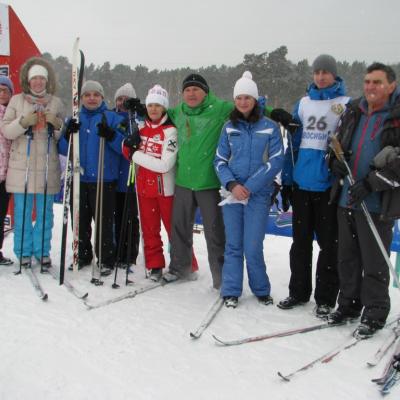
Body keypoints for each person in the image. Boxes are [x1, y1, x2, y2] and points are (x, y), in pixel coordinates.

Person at [164, 74, 274, 289]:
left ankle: (221, 277)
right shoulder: (178, 112)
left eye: (196, 89)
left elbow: (249, 107)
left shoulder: (220, 108)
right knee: (179, 228)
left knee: (215, 232)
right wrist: (139, 109)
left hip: (210, 183)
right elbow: (157, 113)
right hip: (183, 181)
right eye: (187, 90)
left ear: (205, 92)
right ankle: (180, 268)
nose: (191, 94)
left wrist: (273, 112)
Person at [327, 63, 400, 339]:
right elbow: (335, 144)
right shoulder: (353, 111)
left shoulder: (395, 116)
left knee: (374, 261)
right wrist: (334, 162)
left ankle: (375, 311)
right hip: (347, 197)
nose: (371, 87)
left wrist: (371, 183)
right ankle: (348, 304)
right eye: (368, 81)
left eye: (377, 82)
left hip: (377, 202)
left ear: (391, 86)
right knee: (347, 257)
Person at [276, 55, 350, 318]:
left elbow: (347, 145)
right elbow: (292, 146)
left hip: (328, 187)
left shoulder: (345, 104)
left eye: (325, 72)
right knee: (300, 243)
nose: (320, 77)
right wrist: (287, 181)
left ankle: (326, 299)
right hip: (301, 184)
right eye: (317, 72)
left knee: (329, 246)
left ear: (334, 74)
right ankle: (298, 292)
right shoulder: (304, 103)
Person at [214, 71, 284, 308]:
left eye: (247, 97)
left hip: (258, 194)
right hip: (232, 194)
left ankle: (261, 289)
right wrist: (232, 185)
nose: (243, 102)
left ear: (255, 99)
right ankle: (231, 290)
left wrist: (249, 187)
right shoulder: (228, 127)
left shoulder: (270, 127)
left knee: (252, 246)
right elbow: (220, 160)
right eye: (239, 98)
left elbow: (276, 160)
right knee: (233, 245)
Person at [123, 84, 198, 281]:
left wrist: (135, 155)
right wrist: (127, 144)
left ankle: (186, 264)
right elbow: (126, 149)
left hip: (165, 189)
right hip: (143, 188)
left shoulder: (170, 131)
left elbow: (164, 165)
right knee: (149, 230)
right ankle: (154, 265)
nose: (154, 109)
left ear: (164, 107)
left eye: (158, 105)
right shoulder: (141, 128)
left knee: (174, 230)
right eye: (150, 105)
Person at [58, 80, 127, 274]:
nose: (91, 98)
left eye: (96, 95)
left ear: (102, 97)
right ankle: (82, 254)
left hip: (104, 178)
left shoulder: (112, 118)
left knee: (104, 222)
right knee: (79, 220)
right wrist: (67, 135)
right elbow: (62, 149)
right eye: (87, 95)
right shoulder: (74, 118)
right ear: (81, 98)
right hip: (80, 177)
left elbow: (124, 148)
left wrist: (111, 136)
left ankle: (106, 258)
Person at [2, 57, 64, 268]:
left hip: (47, 166)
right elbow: (7, 131)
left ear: (47, 81)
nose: (38, 82)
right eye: (34, 78)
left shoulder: (55, 102)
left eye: (42, 78)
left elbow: (61, 135)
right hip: (23, 167)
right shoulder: (16, 101)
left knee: (46, 214)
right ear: (28, 80)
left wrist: (56, 124)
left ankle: (42, 250)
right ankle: (24, 251)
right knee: (23, 213)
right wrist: (22, 122)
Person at [113, 83, 140, 270]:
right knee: (115, 216)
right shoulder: (112, 117)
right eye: (120, 99)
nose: (123, 103)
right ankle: (115, 251)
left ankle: (129, 253)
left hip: (131, 175)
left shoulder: (137, 119)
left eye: (127, 99)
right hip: (114, 174)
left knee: (130, 217)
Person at [0, 76, 15, 265]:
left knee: (0, 214)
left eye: (6, 90)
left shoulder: (13, 115)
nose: (2, 93)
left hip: (7, 175)